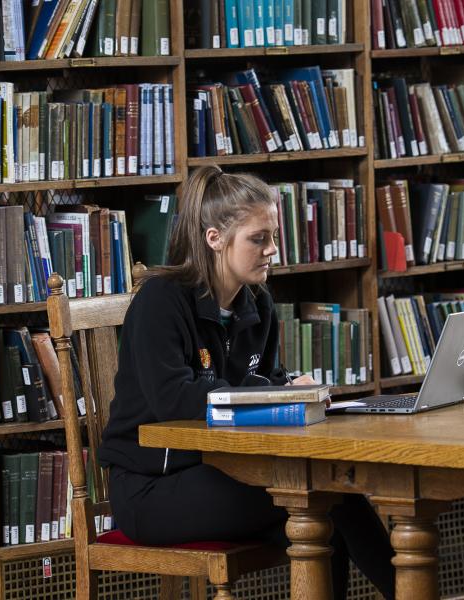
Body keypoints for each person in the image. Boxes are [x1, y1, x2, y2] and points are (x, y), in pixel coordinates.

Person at [98, 165, 395, 599]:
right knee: (322, 497)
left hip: (226, 468)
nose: (272, 249)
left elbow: (266, 379)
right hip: (150, 489)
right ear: (214, 238)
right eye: (259, 238)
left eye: (273, 236)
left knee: (325, 512)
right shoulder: (160, 301)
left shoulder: (257, 303)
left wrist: (296, 389)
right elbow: (172, 399)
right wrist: (273, 393)